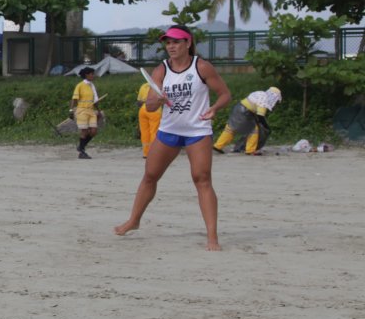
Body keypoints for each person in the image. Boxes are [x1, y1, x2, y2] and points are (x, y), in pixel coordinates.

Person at [114, 24, 232, 250]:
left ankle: (212, 236)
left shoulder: (202, 67)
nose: (171, 46)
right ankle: (134, 220)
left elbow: (225, 94)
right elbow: (149, 106)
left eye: (176, 42)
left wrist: (215, 108)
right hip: (169, 131)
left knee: (202, 179)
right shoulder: (162, 70)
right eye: (168, 42)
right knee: (150, 176)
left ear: (188, 43)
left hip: (197, 132)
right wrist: (156, 100)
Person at [213, 87, 281, 156]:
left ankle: (218, 146)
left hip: (238, 107)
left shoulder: (260, 93)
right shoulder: (264, 100)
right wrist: (266, 126)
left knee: (231, 128)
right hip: (245, 112)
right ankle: (250, 150)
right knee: (254, 130)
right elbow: (260, 116)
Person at [69, 66, 102, 159]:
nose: (93, 76)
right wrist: (71, 110)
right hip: (82, 110)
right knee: (84, 131)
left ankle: (81, 146)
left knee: (94, 131)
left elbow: (95, 100)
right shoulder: (80, 85)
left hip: (91, 111)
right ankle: (82, 151)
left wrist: (99, 111)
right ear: (86, 75)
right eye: (91, 74)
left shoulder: (92, 85)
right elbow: (74, 99)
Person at [136, 81, 163, 159]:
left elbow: (139, 101)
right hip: (155, 110)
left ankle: (146, 153)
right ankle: (154, 153)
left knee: (144, 132)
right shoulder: (160, 86)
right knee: (154, 131)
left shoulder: (144, 86)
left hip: (143, 109)